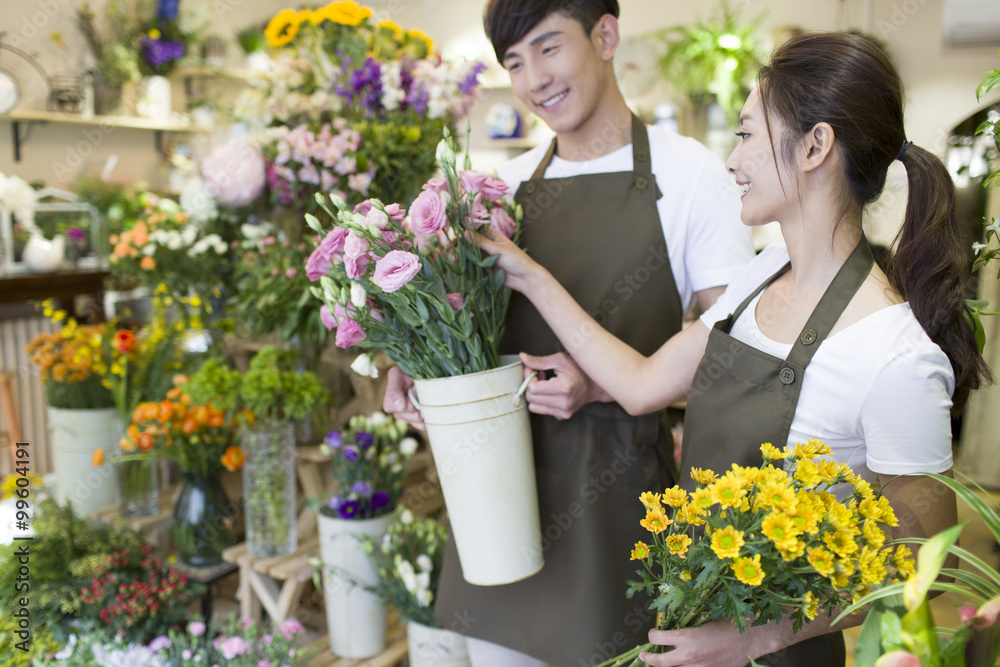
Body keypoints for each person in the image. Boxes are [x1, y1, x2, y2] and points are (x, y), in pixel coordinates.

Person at [476, 31, 993, 666]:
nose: (732, 158)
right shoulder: (761, 273)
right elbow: (640, 384)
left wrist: (761, 634)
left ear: (814, 146)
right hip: (690, 630)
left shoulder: (894, 354)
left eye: (747, 134)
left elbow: (923, 555)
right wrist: (527, 273)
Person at [382, 1, 755, 665]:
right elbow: (466, 330)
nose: (533, 80)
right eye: (515, 62)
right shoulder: (505, 187)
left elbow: (735, 358)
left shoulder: (692, 175)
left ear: (606, 35)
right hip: (498, 506)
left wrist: (605, 387)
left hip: (618, 513)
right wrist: (413, 366)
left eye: (548, 48)